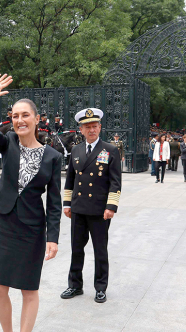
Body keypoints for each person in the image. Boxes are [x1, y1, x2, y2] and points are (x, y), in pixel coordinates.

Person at [0, 74, 61, 332]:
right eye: (15, 116)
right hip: (4, 223)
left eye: (25, 115)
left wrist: (53, 237)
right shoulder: (9, 142)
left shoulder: (53, 157)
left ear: (37, 119)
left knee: (29, 290)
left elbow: (54, 202)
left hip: (32, 230)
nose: (19, 120)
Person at [61, 107, 122, 304]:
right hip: (78, 208)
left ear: (100, 127)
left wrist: (111, 207)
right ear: (81, 129)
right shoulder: (76, 150)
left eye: (95, 126)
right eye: (87, 127)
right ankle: (75, 285)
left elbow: (115, 181)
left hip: (99, 210)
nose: (92, 130)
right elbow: (70, 179)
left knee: (100, 250)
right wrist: (67, 204)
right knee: (76, 248)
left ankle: (101, 287)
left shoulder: (110, 150)